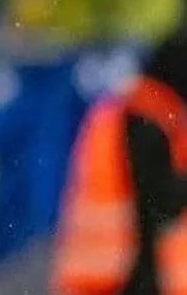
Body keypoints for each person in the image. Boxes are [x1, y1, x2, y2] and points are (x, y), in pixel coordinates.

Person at [53, 28, 187, 294]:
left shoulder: (124, 109)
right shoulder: (148, 121)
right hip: (129, 273)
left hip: (104, 272)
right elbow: (162, 203)